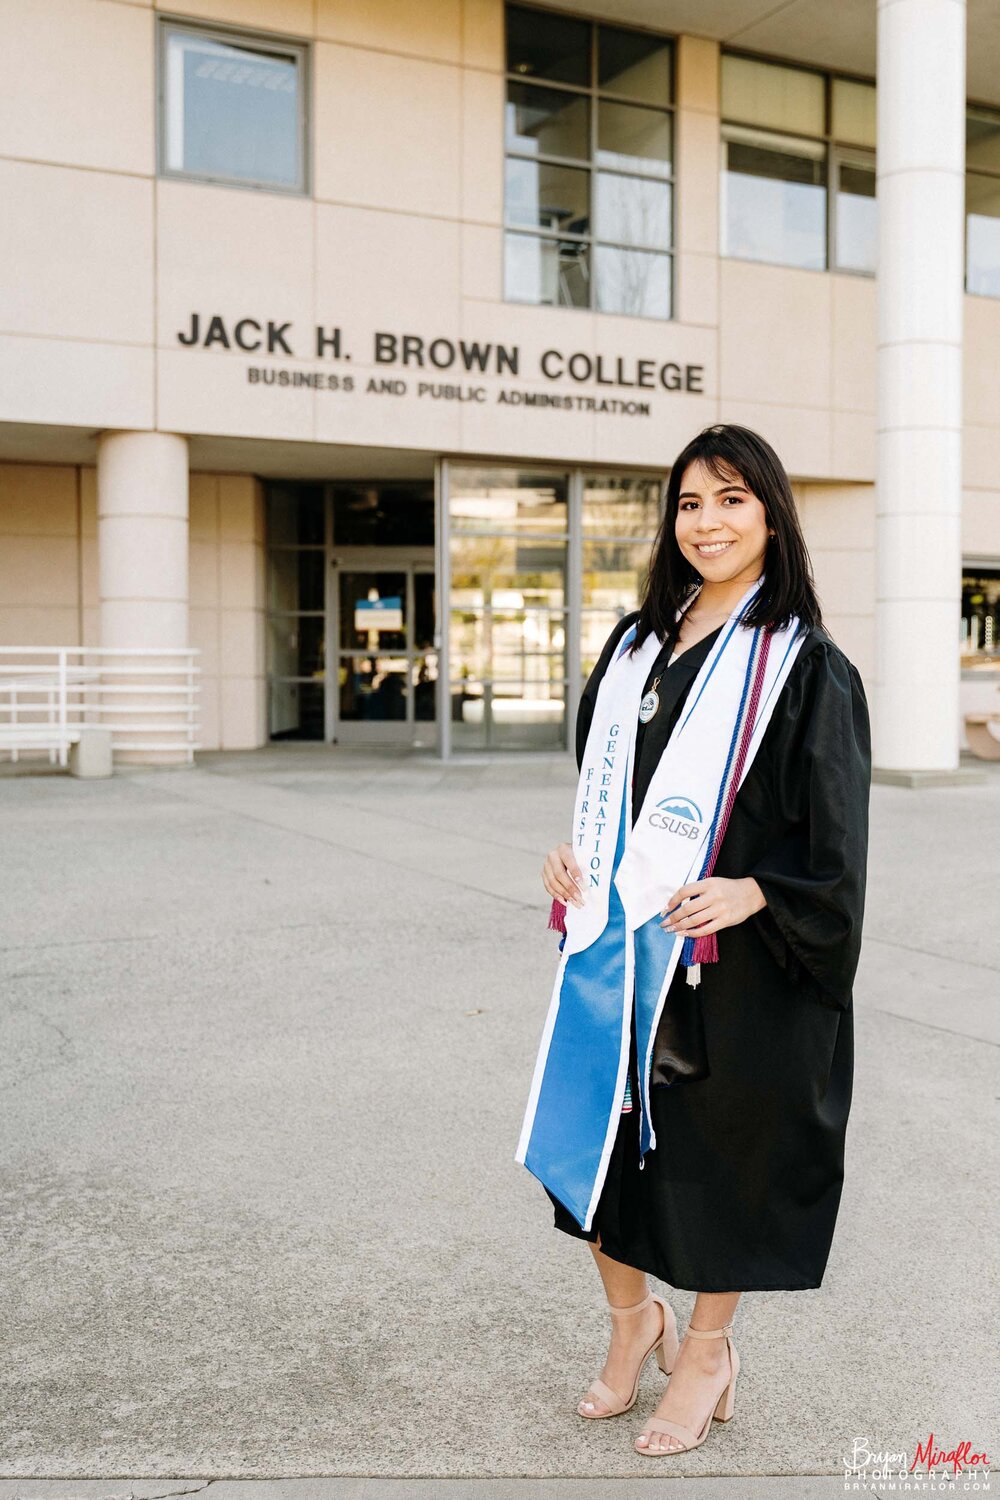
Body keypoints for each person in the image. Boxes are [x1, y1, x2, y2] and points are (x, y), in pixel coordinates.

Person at [520, 422, 872, 1458]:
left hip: (736, 966)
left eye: (730, 500)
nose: (706, 522)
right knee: (589, 1150)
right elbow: (607, 794)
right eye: (688, 503)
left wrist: (759, 891)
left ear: (771, 517)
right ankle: (636, 1323)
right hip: (615, 946)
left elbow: (835, 841)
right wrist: (570, 857)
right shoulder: (634, 650)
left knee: (725, 1160)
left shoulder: (802, 668)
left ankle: (708, 1349)